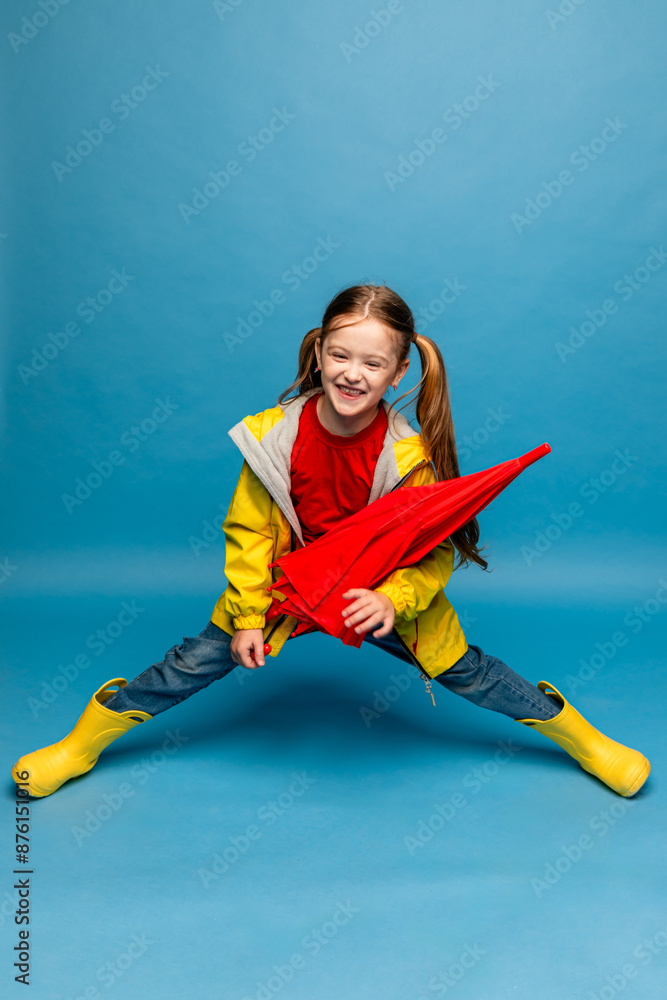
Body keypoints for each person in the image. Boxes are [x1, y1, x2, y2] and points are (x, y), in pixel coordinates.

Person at [11, 284, 650, 800]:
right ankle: (80, 745)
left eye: (373, 363)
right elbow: (250, 532)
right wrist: (249, 615)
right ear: (318, 352)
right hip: (287, 588)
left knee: (467, 671)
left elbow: (432, 550)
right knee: (190, 662)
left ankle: (586, 742)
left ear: (400, 371)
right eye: (340, 355)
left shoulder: (409, 454)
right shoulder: (273, 437)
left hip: (372, 592)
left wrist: (393, 602)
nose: (352, 374)